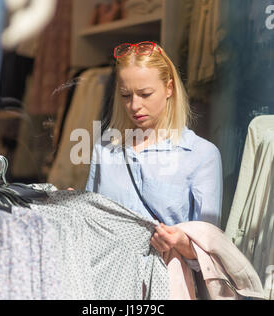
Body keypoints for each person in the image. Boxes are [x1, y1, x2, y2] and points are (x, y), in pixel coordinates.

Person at [85, 41, 223, 266]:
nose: (134, 105)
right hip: (107, 281)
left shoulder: (200, 155)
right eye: (125, 95)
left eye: (145, 94)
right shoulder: (106, 148)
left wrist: (179, 241)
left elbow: (210, 251)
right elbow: (90, 229)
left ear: (169, 88)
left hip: (168, 283)